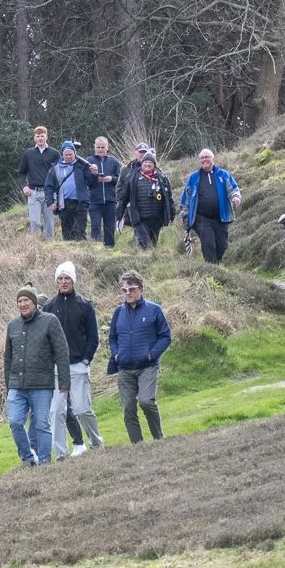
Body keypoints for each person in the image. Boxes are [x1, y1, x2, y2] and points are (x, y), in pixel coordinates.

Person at [4, 286, 70, 465]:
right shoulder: (13, 326)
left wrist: (64, 383)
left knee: (42, 425)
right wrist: (8, 384)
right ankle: (27, 458)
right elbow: (8, 358)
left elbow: (62, 353)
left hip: (41, 385)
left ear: (34, 302)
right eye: (20, 301)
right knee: (15, 423)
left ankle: (44, 460)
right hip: (17, 386)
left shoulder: (50, 321)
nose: (23, 304)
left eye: (26, 300)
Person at [43, 261, 103, 457]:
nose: (63, 282)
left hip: (78, 365)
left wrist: (86, 359)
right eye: (60, 279)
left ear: (73, 280)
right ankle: (61, 454)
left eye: (67, 278)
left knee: (82, 409)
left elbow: (93, 337)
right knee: (56, 411)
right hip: (56, 368)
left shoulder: (85, 305)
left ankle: (96, 443)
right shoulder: (49, 307)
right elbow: (45, 338)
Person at [108, 271, 172, 442]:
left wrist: (151, 355)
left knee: (146, 401)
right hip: (124, 368)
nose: (128, 293)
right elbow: (112, 337)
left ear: (141, 289)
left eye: (132, 289)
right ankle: (137, 445)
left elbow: (166, 336)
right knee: (128, 409)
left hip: (147, 367)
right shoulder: (118, 312)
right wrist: (116, 354)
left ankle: (158, 438)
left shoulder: (154, 310)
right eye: (124, 290)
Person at [179, 149, 242, 264]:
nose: (204, 160)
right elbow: (186, 198)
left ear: (213, 159)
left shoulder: (223, 174)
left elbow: (233, 189)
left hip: (221, 217)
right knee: (208, 243)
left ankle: (218, 267)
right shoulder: (193, 178)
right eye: (202, 158)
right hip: (201, 218)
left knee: (222, 246)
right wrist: (184, 214)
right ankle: (211, 269)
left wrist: (236, 197)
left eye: (207, 157)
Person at [116, 150, 175, 248]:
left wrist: (171, 215)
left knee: (153, 245)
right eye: (145, 162)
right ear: (142, 163)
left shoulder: (162, 177)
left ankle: (150, 262)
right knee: (143, 245)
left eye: (150, 162)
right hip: (140, 219)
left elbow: (169, 198)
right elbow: (123, 198)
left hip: (157, 219)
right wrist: (119, 215)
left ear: (154, 165)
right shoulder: (132, 177)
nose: (147, 164)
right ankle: (141, 262)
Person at [17, 126, 61, 238]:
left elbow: (59, 174)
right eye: (38, 136)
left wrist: (57, 193)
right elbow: (22, 172)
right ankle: (36, 247)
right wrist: (24, 186)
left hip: (49, 193)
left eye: (42, 136)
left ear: (46, 137)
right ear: (34, 138)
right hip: (33, 192)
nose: (40, 138)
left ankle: (49, 247)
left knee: (49, 222)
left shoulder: (55, 153)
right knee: (34, 221)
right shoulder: (28, 153)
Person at [45, 142, 94, 242]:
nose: (68, 156)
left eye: (70, 154)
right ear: (62, 154)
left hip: (81, 202)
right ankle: (69, 256)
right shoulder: (55, 168)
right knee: (67, 234)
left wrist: (94, 172)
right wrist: (50, 202)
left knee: (80, 231)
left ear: (74, 154)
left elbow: (91, 182)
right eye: (66, 154)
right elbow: (48, 186)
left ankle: (83, 254)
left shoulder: (82, 166)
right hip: (64, 204)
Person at [84, 137, 122, 249]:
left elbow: (120, 179)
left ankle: (109, 249)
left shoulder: (113, 162)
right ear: (94, 147)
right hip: (94, 200)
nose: (100, 149)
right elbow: (87, 181)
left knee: (110, 226)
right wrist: (95, 175)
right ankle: (95, 249)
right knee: (95, 226)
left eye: (103, 147)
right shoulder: (89, 161)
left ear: (107, 147)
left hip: (110, 200)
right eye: (98, 147)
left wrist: (111, 179)